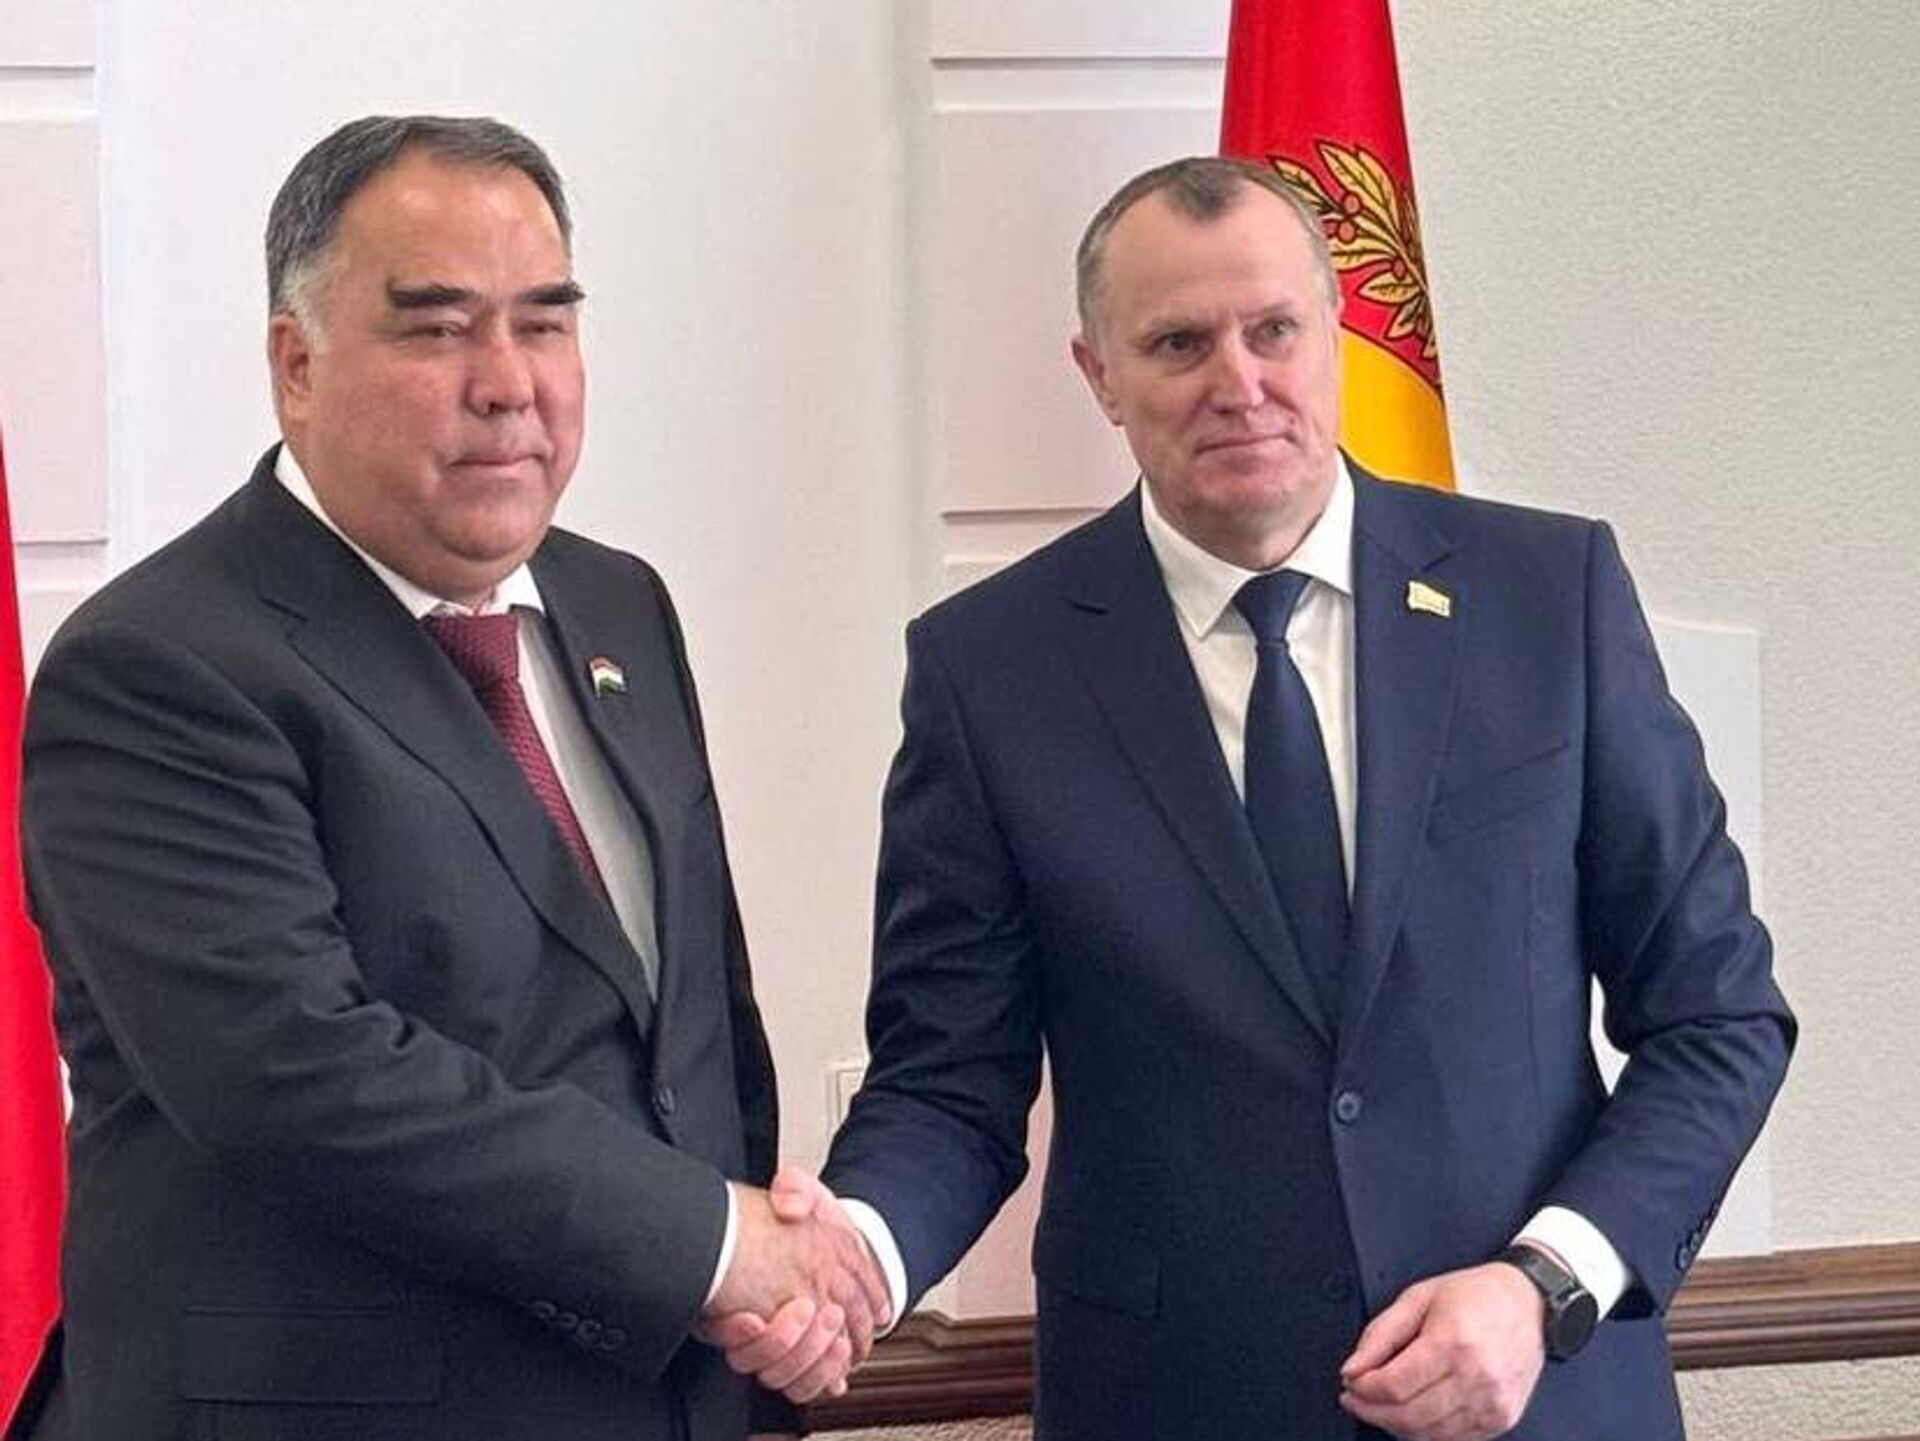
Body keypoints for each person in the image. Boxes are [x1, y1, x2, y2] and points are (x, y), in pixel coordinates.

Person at [721, 157, 1795, 1439]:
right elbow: (951, 1079)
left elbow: (1718, 1016)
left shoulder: (1545, 599)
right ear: (1098, 374)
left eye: (1274, 329)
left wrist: (1547, 1281)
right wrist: (852, 1256)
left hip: (1541, 1399)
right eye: (1178, 343)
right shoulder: (990, 670)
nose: (1238, 382)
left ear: (1335, 334)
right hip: (1176, 1400)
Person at [14, 115, 883, 1441]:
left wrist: (771, 1315)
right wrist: (718, 1244)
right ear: (296, 365)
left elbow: (696, 1019)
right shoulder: (157, 663)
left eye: (545, 322)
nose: (508, 382)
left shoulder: (617, 604)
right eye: (437, 329)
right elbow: (301, 1074)